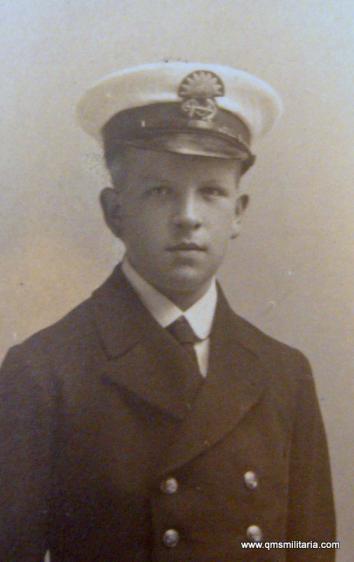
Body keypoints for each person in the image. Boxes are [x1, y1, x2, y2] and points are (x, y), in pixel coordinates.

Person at [0, 62, 336, 561]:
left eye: (211, 192)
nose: (188, 217)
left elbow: (313, 544)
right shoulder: (45, 371)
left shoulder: (284, 373)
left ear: (239, 212)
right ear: (115, 211)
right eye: (160, 191)